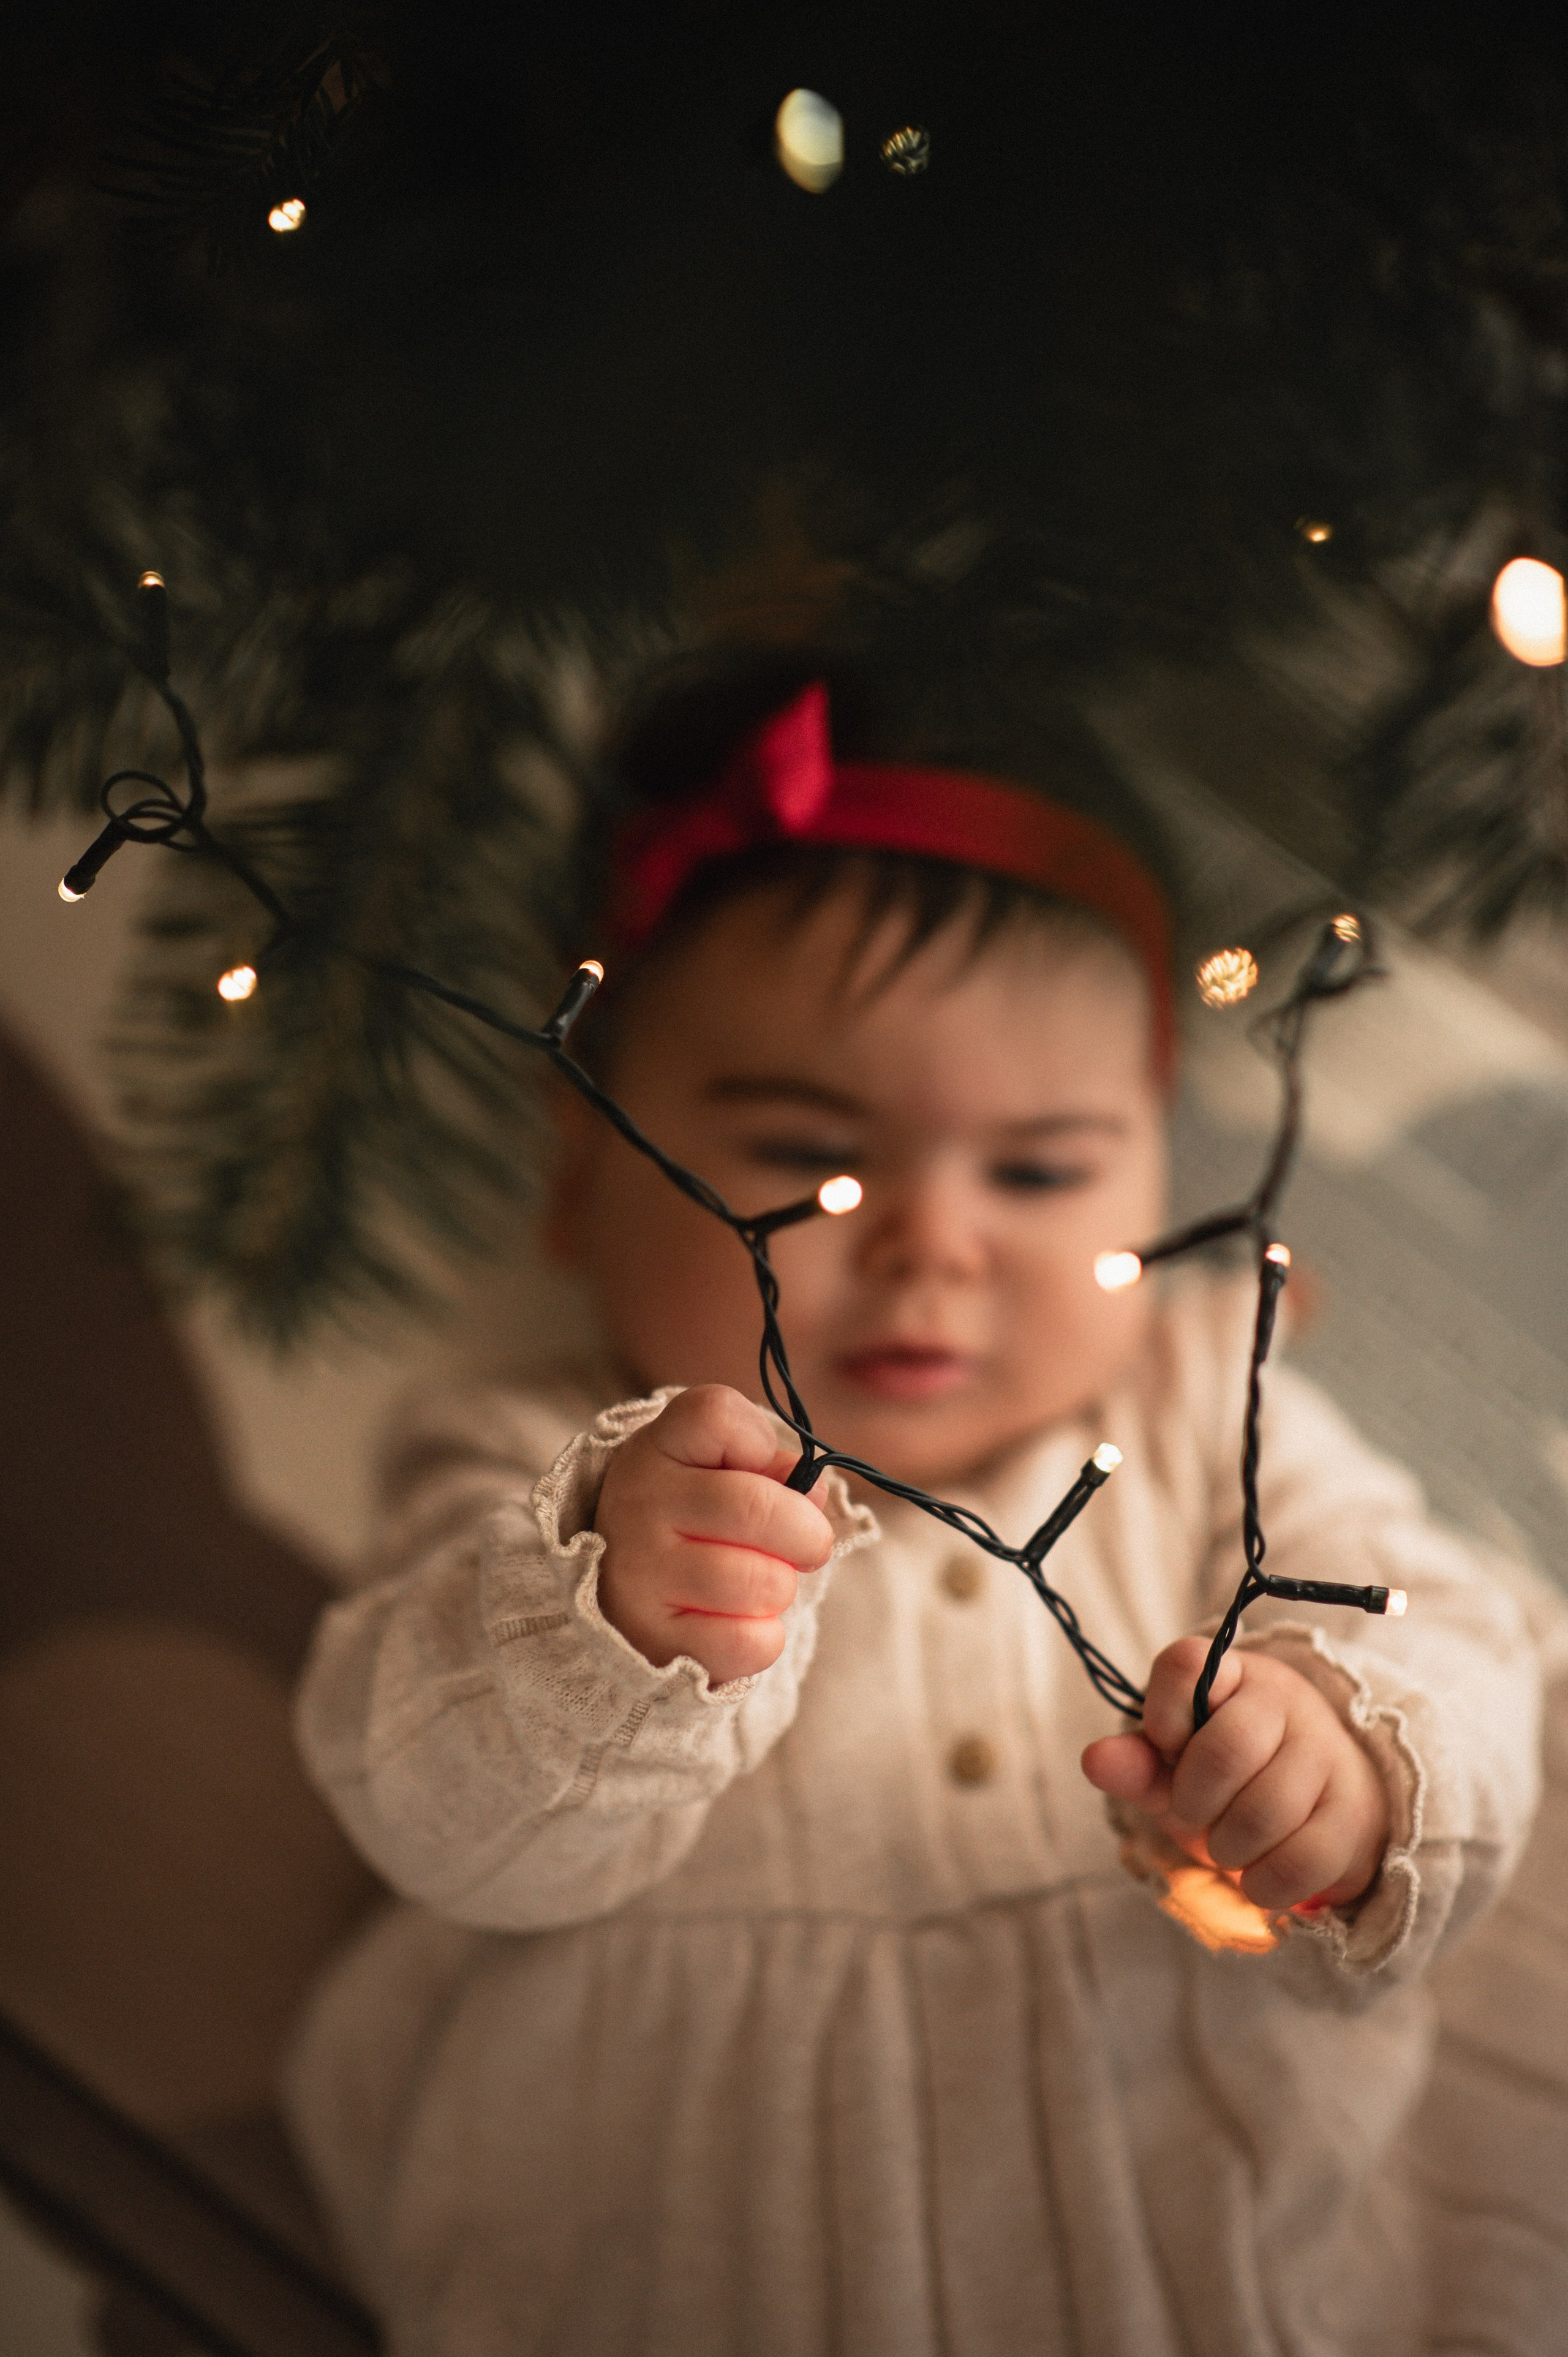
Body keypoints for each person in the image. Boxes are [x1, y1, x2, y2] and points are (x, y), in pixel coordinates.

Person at [284, 652, 1541, 2356]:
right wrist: (594, 1633)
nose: (937, 1247)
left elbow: (1460, 1634)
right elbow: (422, 1807)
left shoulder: (1197, 1415)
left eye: (1038, 1170)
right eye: (818, 1166)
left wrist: (1347, 1757)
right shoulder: (541, 1467)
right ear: (584, 1168)